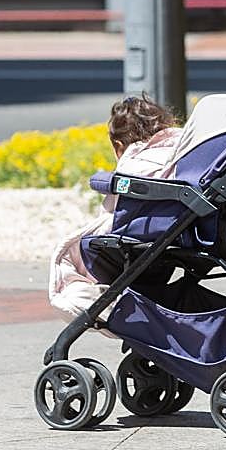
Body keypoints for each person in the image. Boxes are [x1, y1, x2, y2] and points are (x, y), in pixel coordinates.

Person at [48, 96, 182, 322]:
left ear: (118, 146)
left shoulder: (137, 165)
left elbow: (113, 217)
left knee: (77, 255)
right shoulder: (185, 152)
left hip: (141, 244)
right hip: (182, 234)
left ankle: (110, 314)